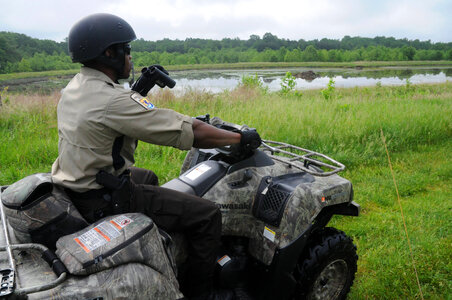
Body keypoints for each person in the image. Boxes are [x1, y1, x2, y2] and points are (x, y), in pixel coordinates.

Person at [51, 13, 261, 300]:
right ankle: (202, 291)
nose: (130, 57)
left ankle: (163, 243)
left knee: (147, 177)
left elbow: (107, 117)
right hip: (101, 200)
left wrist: (138, 92)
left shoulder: (76, 87)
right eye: (126, 50)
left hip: (77, 185)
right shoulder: (114, 100)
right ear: (109, 53)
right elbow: (190, 132)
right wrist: (240, 138)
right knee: (207, 215)